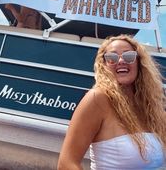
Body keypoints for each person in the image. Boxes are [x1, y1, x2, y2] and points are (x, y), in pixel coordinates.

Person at [57, 34, 166, 169]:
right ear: (104, 65)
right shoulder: (97, 99)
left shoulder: (151, 107)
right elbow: (66, 163)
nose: (121, 61)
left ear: (139, 62)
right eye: (112, 58)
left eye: (128, 56)